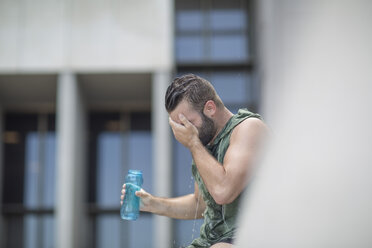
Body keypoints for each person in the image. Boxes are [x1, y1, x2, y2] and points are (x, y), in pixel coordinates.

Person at [121, 74, 267, 247]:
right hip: (210, 242)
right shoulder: (203, 146)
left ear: (210, 108)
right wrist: (152, 203)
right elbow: (200, 204)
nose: (185, 132)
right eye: (180, 126)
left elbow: (223, 191)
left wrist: (193, 143)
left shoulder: (248, 128)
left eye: (188, 122)